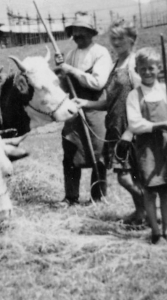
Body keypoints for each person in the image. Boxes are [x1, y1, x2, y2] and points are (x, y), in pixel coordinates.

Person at [74, 20, 145, 224]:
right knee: (131, 176)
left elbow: (143, 101)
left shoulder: (134, 65)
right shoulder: (116, 64)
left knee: (126, 177)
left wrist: (130, 131)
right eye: (113, 38)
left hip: (131, 130)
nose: (116, 42)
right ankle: (141, 212)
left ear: (131, 40)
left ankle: (149, 209)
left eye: (120, 38)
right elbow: (110, 101)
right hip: (115, 127)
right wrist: (86, 103)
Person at [55, 11, 112, 205]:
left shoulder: (100, 53)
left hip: (94, 107)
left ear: (91, 33)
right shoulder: (70, 55)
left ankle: (98, 196)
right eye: (75, 32)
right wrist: (62, 75)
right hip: (73, 109)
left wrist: (70, 70)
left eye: (82, 32)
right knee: (70, 149)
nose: (77, 36)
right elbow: (64, 86)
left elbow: (97, 82)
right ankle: (71, 196)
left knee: (99, 152)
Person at [126, 47, 167, 244]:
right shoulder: (134, 96)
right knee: (150, 191)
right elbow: (135, 124)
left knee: (166, 190)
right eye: (142, 69)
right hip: (147, 149)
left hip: (165, 146)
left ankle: (166, 230)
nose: (147, 72)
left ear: (159, 68)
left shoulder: (164, 91)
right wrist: (159, 125)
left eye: (151, 68)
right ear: (136, 70)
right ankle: (156, 232)